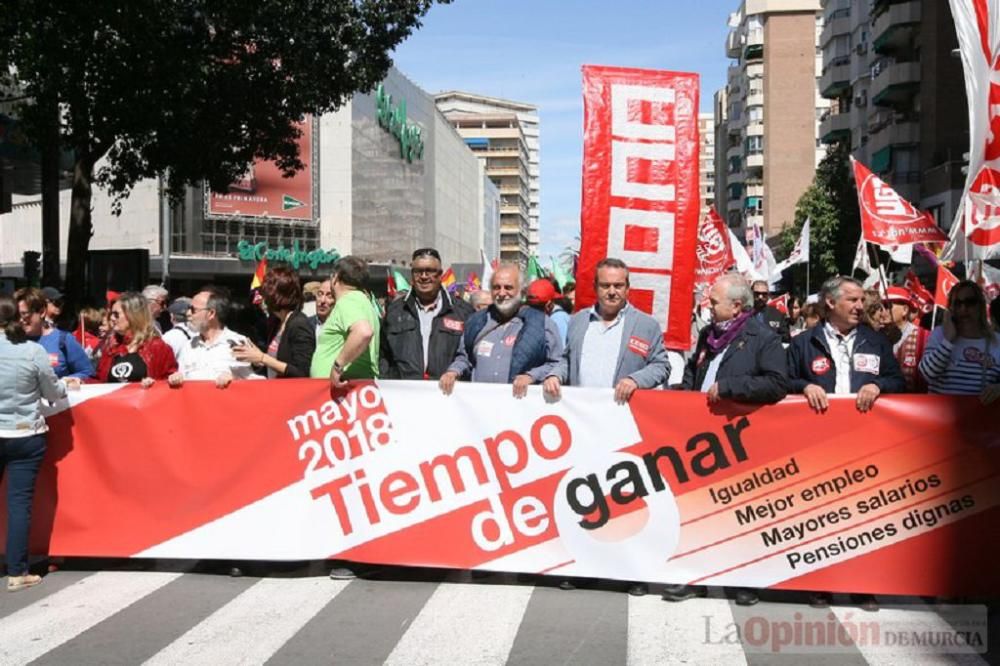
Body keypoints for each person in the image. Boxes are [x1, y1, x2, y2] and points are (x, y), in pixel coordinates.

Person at [663, 273, 789, 607]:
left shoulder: (762, 337)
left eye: (714, 300)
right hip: (702, 437)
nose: (708, 304)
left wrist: (732, 387)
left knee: (738, 510)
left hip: (739, 437)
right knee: (700, 509)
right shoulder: (708, 335)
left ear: (736, 306)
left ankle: (743, 581)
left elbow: (777, 384)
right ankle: (696, 576)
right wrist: (683, 395)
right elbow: (695, 371)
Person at [0, 296, 73, 592]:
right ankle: (17, 572)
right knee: (19, 505)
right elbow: (54, 393)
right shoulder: (33, 351)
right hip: (24, 434)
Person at [543, 258, 668, 404]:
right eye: (605, 285)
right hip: (581, 413)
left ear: (627, 288)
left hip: (623, 414)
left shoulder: (646, 325)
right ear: (595, 287)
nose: (612, 292)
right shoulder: (578, 321)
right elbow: (567, 361)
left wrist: (635, 380)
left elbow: (661, 366)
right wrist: (555, 376)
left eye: (618, 285)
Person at [439, 263, 562, 398]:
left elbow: (557, 363)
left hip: (522, 407)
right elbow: (464, 357)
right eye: (496, 287)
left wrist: (531, 376)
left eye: (508, 287)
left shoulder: (542, 323)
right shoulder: (475, 321)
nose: (502, 293)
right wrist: (453, 371)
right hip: (479, 407)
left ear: (521, 291)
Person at [788, 276, 905, 415]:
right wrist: (805, 387)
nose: (860, 307)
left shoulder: (877, 341)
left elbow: (898, 381)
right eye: (853, 300)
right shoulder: (803, 343)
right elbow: (784, 381)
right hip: (818, 427)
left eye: (862, 300)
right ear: (831, 302)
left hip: (864, 427)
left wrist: (877, 386)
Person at [380, 248, 475, 380]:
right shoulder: (395, 312)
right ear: (412, 274)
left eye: (430, 271)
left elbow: (471, 356)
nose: (424, 276)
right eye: (418, 271)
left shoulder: (463, 312)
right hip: (404, 395)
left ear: (440, 274)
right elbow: (384, 356)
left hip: (448, 395)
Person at [918, 280, 1000, 402]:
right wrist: (948, 340)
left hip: (980, 418)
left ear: (981, 306)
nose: (963, 309)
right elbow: (927, 374)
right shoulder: (939, 335)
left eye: (970, 302)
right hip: (941, 417)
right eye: (957, 303)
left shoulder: (996, 341)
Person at [233, 266, 316, 378]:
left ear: (276, 295)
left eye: (265, 294)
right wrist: (257, 359)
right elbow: (273, 362)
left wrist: (263, 357)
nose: (262, 299)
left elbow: (301, 372)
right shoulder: (276, 322)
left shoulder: (299, 324)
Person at [310, 256, 380, 386]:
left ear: (335, 277)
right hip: (349, 392)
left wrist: (337, 367)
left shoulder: (348, 301)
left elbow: (363, 332)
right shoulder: (362, 302)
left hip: (342, 393)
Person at [169, 286, 257, 388]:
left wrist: (235, 379)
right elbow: (182, 375)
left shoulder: (237, 342)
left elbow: (253, 384)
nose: (188, 314)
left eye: (193, 310)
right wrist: (177, 378)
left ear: (211, 313)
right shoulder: (188, 345)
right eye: (188, 309)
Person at [94, 292, 177, 385]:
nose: (112, 318)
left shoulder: (158, 347)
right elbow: (98, 381)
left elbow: (169, 383)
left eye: (116, 314)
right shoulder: (110, 345)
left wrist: (155, 384)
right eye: (111, 314)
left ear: (132, 316)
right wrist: (81, 382)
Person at [15, 288, 94, 380]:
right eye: (17, 315)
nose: (20, 320)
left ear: (42, 312)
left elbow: (87, 372)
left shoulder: (63, 340)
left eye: (25, 314)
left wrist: (63, 383)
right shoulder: (12, 341)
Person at [885, 286, 928, 392]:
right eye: (881, 306)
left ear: (905, 310)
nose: (883, 310)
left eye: (888, 306)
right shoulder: (875, 337)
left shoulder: (925, 338)